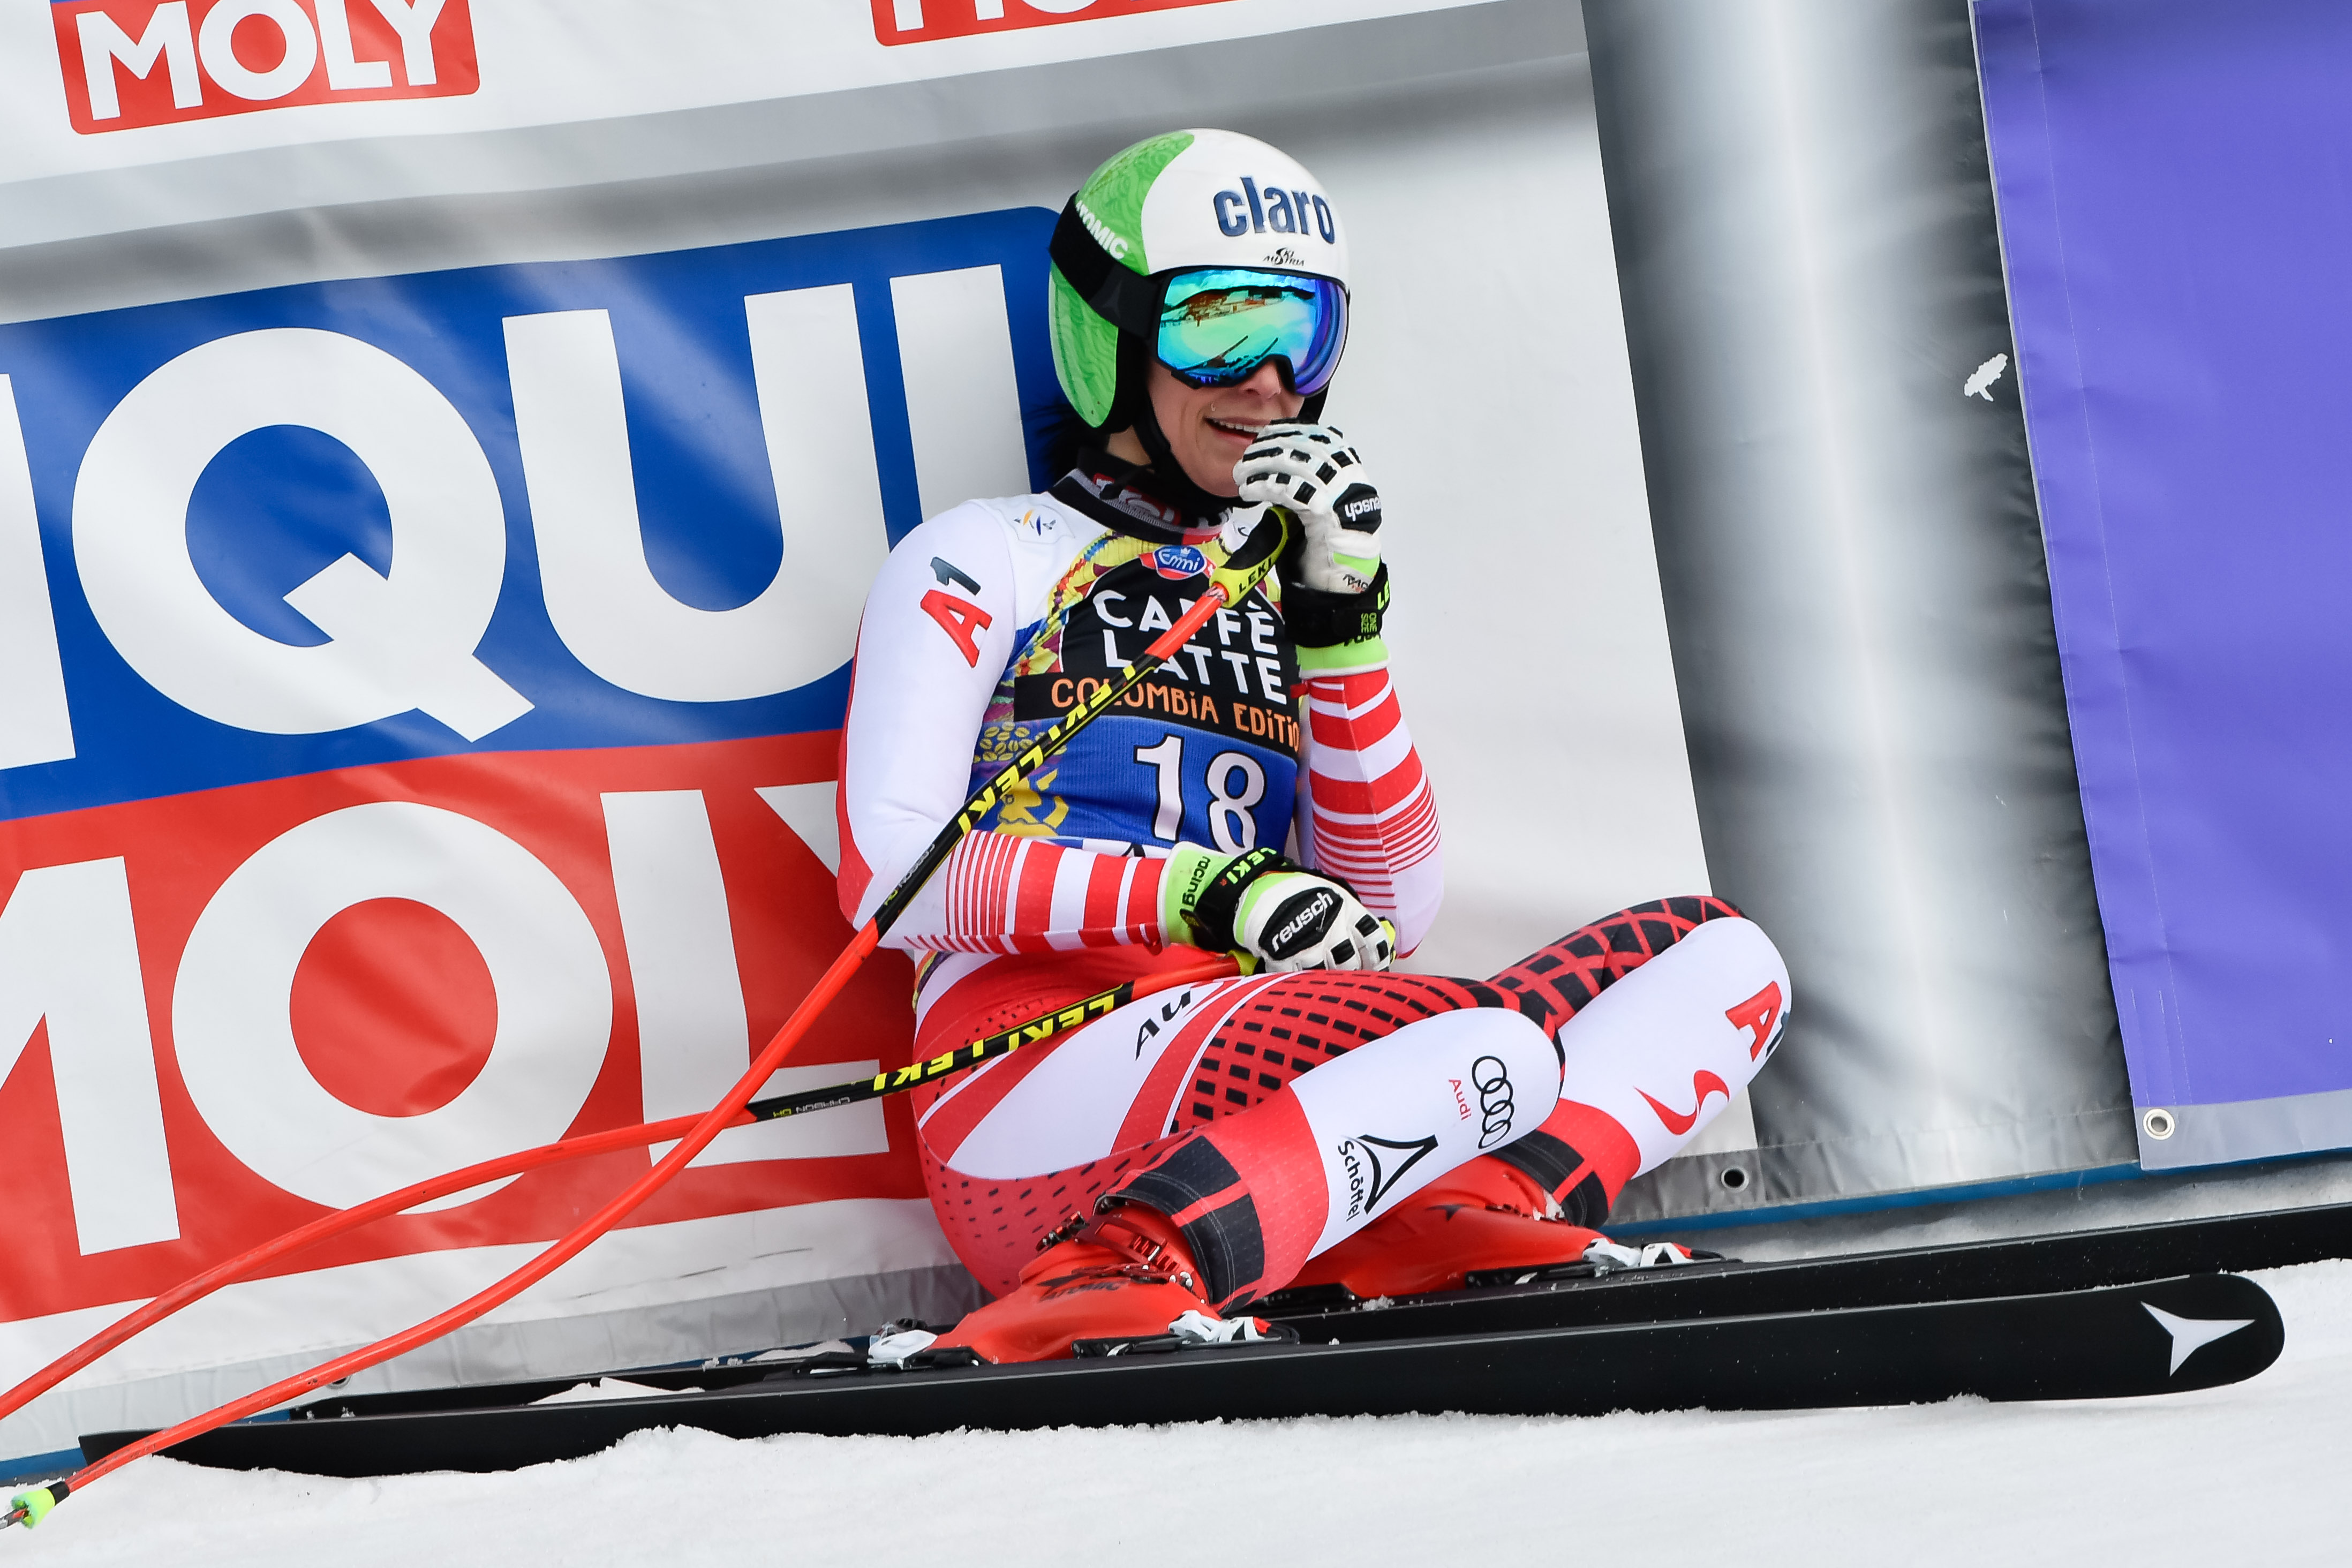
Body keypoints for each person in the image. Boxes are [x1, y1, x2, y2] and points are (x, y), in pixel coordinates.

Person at [835, 129, 1790, 1363]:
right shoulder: (981, 554)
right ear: (1111, 335)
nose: (1274, 381)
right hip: (1027, 1090)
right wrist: (1207, 891)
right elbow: (888, 875)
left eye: (1308, 331)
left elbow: (1389, 911)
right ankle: (1108, 1268)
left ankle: (1456, 1217)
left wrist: (1340, 626)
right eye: (1221, 330)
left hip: (1247, 1071)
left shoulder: (1280, 586)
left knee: (1727, 958)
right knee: (1487, 1043)